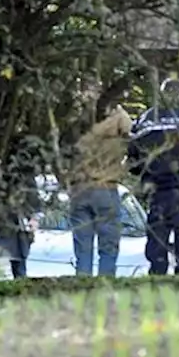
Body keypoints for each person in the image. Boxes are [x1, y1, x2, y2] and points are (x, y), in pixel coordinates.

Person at [129, 78, 179, 275]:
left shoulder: (145, 119)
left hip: (157, 189)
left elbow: (133, 154)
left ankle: (156, 279)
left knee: (157, 240)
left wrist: (146, 174)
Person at [69, 105, 134, 276]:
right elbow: (133, 147)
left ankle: (82, 290)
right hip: (106, 187)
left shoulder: (79, 120)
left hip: (80, 188)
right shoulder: (121, 123)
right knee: (108, 248)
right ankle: (105, 290)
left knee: (83, 248)